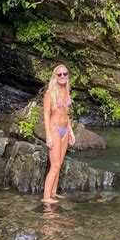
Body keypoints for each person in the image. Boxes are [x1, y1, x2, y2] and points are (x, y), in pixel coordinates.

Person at [42, 64, 75, 203]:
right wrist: (48, 135)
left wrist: (71, 132)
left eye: (65, 74)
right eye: (59, 74)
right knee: (54, 166)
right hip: (55, 130)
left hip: (65, 130)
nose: (62, 76)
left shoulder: (67, 92)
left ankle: (54, 193)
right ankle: (46, 198)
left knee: (59, 164)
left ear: (67, 75)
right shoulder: (50, 93)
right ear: (55, 76)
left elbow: (67, 115)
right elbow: (45, 115)